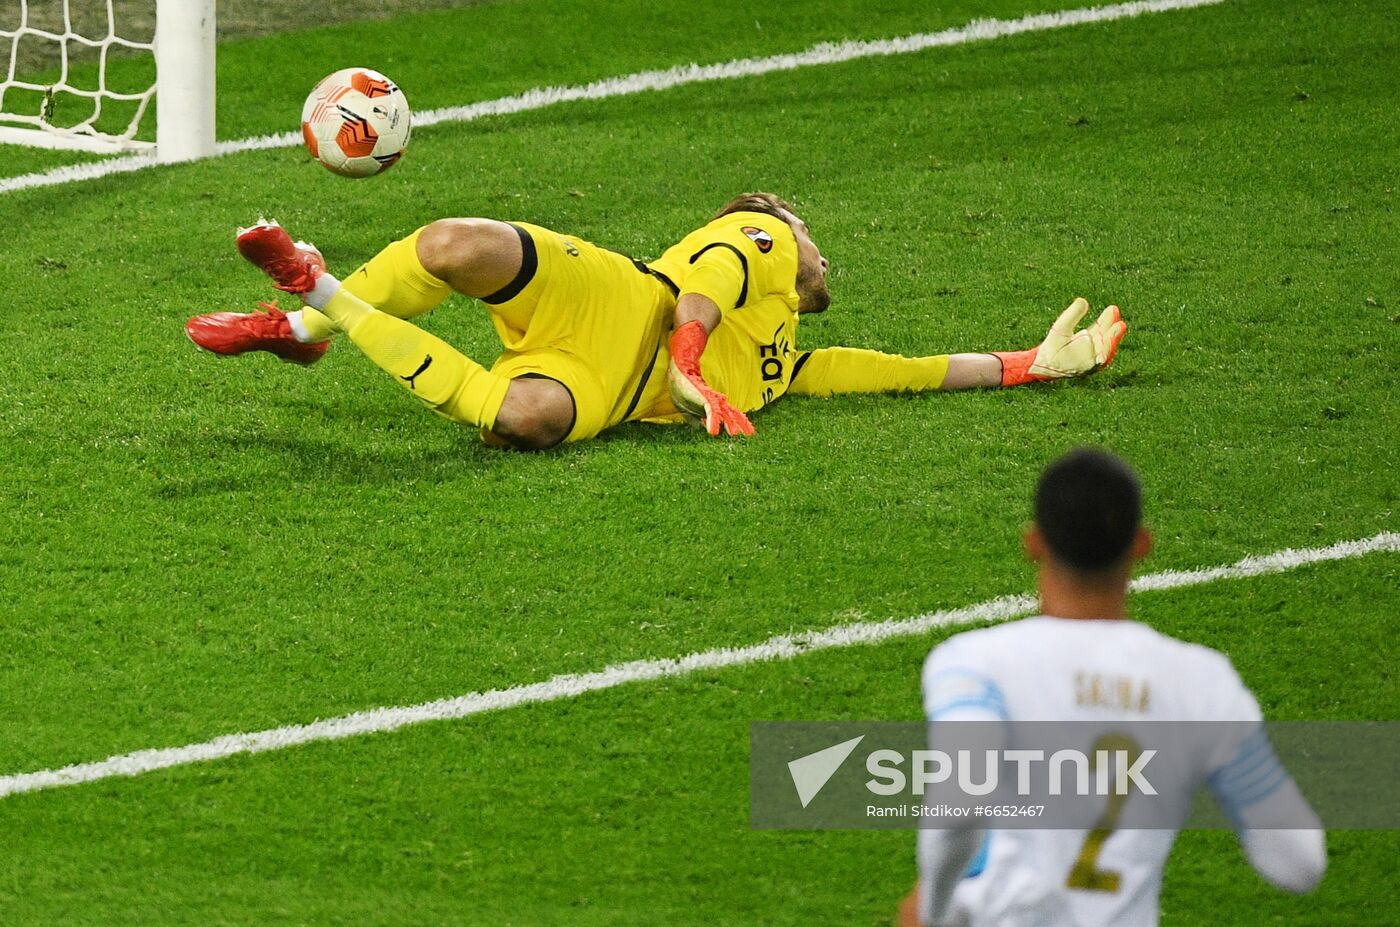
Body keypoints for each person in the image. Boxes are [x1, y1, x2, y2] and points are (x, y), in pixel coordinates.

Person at [185, 193, 1126, 450]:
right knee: (452, 245)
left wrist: (1026, 365)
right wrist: (687, 358)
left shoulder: (783, 368)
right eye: (812, 237)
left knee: (524, 423)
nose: (821, 251)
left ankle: (320, 303)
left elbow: (904, 369)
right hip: (619, 298)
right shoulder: (759, 234)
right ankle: (306, 327)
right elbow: (702, 285)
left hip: (611, 388)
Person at [898, 449, 1327, 927]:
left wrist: (934, 910)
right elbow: (1299, 863)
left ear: (1034, 543)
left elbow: (960, 807)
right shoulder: (1203, 684)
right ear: (1141, 544)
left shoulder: (975, 663)